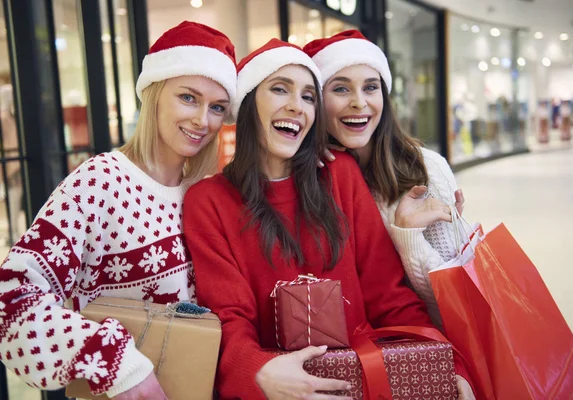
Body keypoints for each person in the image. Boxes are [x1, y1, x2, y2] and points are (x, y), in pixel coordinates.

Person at [183, 39, 473, 400]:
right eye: (279, 89)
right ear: (247, 103)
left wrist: (448, 364)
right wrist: (256, 372)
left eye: (308, 97)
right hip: (281, 385)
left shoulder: (341, 176)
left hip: (364, 377)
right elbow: (229, 317)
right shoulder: (208, 201)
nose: (296, 106)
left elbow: (389, 295)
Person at [0, 21, 237, 399]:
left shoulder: (204, 192)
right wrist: (115, 363)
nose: (202, 120)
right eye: (188, 97)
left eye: (218, 107)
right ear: (155, 94)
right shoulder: (99, 182)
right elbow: (11, 298)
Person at [304, 30, 468, 329]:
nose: (359, 102)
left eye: (370, 87)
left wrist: (409, 238)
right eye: (340, 89)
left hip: (426, 345)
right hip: (351, 348)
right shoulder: (315, 173)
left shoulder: (425, 169)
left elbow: (454, 298)